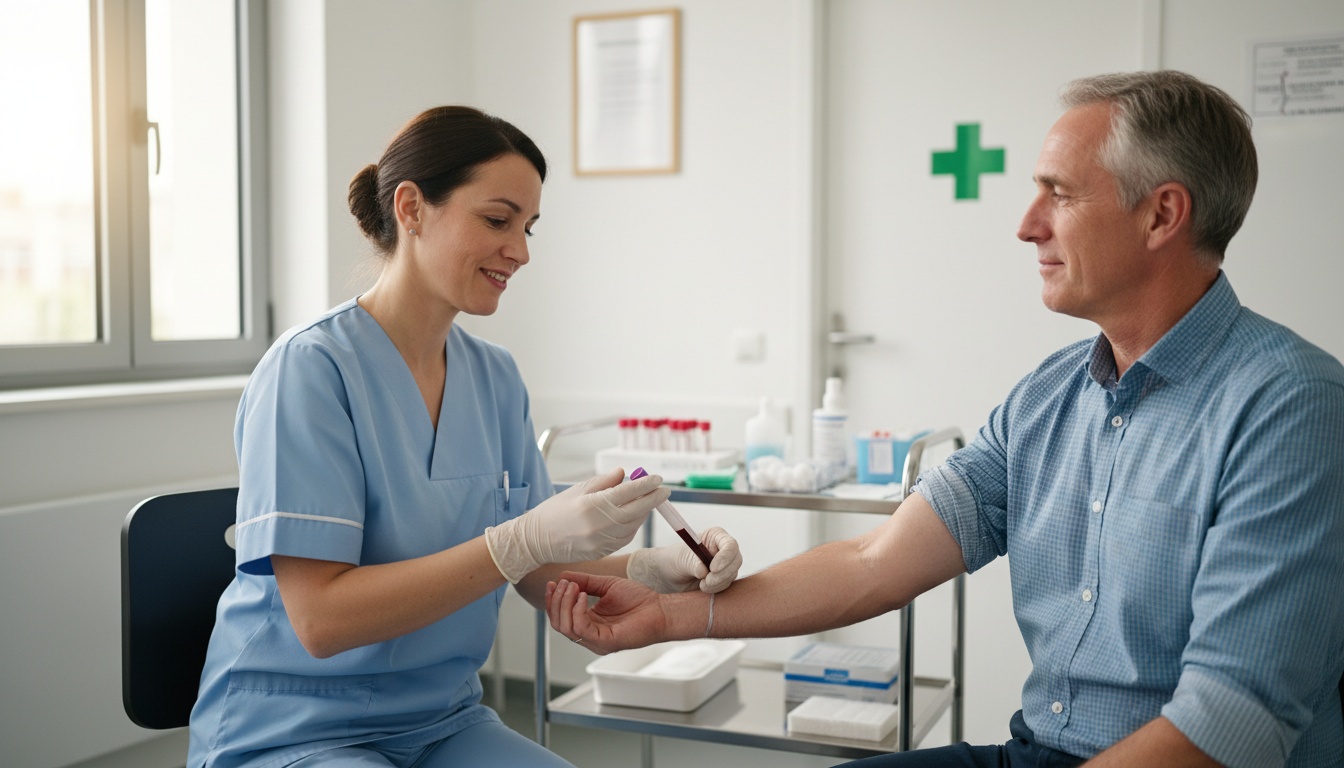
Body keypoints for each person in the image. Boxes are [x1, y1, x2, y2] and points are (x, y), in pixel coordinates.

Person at [546, 71, 1344, 767]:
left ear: (1162, 215)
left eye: (1058, 194)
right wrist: (674, 615)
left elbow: (1231, 725)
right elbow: (873, 561)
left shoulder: (1289, 409)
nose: (1027, 224)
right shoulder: (1050, 397)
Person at [187, 106, 744, 768]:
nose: (522, 250)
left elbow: (536, 568)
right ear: (412, 208)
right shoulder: (311, 371)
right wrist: (521, 539)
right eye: (498, 219)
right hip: (296, 727)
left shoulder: (495, 378)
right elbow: (321, 622)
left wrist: (657, 569)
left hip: (442, 723)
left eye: (529, 227)